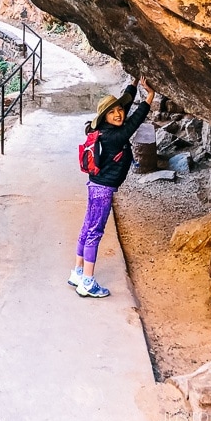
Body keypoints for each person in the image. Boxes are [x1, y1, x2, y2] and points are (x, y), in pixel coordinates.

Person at [70, 75, 155, 298]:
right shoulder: (115, 136)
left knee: (87, 227)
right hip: (103, 190)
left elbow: (124, 106)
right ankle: (87, 282)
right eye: (112, 112)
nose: (118, 114)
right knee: (95, 232)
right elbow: (134, 121)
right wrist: (150, 97)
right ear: (104, 117)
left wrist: (134, 84)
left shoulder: (103, 130)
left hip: (94, 186)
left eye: (119, 110)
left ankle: (77, 271)